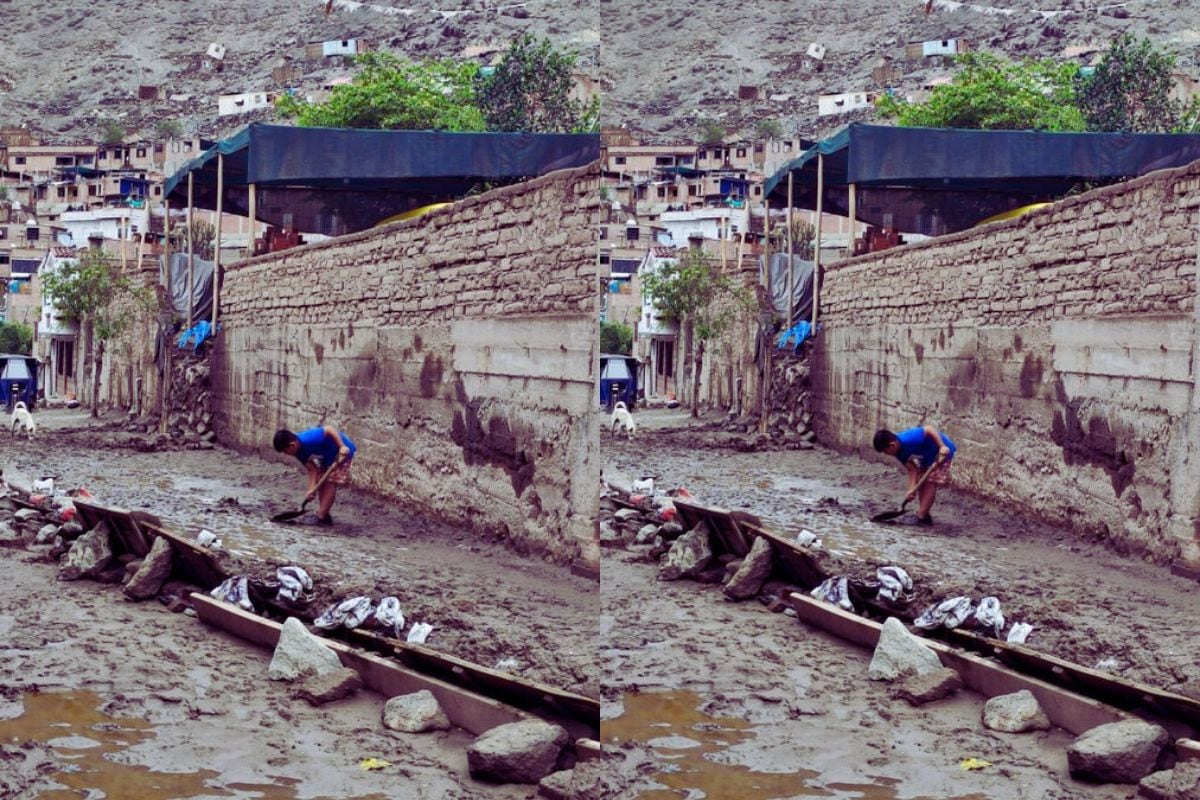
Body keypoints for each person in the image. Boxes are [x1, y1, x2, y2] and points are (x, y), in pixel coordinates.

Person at [273, 425, 357, 526]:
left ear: (292, 445)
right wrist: (311, 489)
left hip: (342, 454)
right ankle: (324, 515)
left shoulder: (309, 438)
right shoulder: (298, 452)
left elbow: (329, 429)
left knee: (330, 482)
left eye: (286, 451)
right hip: (326, 457)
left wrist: (342, 446)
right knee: (322, 482)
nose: (287, 454)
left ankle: (321, 516)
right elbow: (312, 470)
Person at [872, 425, 956, 526]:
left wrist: (942, 446)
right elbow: (912, 470)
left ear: (892, 445)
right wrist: (911, 489)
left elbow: (928, 429)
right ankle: (925, 515)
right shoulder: (899, 452)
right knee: (922, 481)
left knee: (930, 482)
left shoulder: (909, 438)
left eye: (886, 451)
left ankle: (921, 516)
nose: (887, 454)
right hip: (926, 457)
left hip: (942, 454)